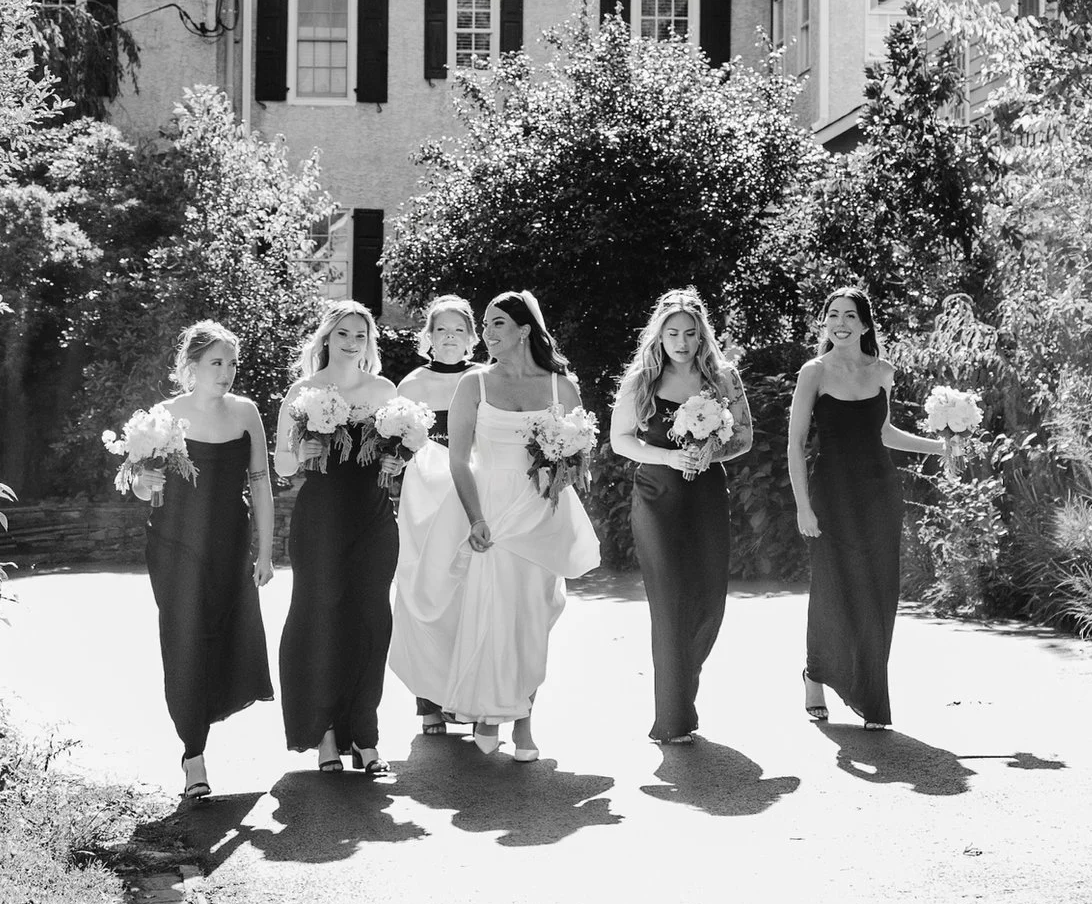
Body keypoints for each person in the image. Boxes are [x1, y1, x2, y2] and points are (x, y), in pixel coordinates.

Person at [390, 290, 600, 760]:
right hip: (488, 509)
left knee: (533, 617)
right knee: (493, 609)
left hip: (541, 511)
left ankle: (519, 716)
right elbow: (461, 461)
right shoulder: (475, 385)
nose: (485, 332)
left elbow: (578, 454)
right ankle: (496, 714)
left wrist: (561, 468)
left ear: (524, 330)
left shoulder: (561, 388)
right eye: (483, 324)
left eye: (496, 323)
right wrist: (476, 517)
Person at [787, 285, 957, 730]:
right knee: (831, 587)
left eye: (849, 315)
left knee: (879, 590)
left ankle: (873, 695)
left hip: (879, 493)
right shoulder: (814, 372)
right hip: (831, 494)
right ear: (825, 323)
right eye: (832, 315)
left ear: (865, 324)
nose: (840, 323)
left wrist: (939, 447)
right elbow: (795, 442)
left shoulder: (883, 371)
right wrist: (803, 505)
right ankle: (815, 674)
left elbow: (883, 433)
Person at [609, 287, 753, 744]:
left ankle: (681, 686)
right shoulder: (642, 380)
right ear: (659, 335)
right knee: (670, 607)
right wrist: (669, 458)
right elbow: (620, 440)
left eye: (691, 333)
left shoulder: (723, 378)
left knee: (709, 603)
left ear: (702, 335)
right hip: (658, 498)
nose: (682, 341)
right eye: (672, 332)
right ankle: (672, 717)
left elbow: (745, 435)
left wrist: (712, 449)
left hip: (707, 494)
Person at [146, 321, 275, 802]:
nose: (227, 372)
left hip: (229, 543)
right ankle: (193, 754)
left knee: (224, 637)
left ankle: (200, 731)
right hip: (174, 546)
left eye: (232, 363)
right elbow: (144, 482)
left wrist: (264, 551)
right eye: (216, 363)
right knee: (183, 641)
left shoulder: (246, 413)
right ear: (192, 366)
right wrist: (142, 484)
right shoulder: (164, 415)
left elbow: (260, 482)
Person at [274, 300, 400, 775]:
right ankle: (326, 732)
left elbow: (397, 450)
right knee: (321, 619)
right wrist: (300, 450)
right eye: (344, 333)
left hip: (372, 518)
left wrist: (396, 461)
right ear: (327, 336)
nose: (352, 343)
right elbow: (282, 465)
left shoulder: (384, 390)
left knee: (372, 622)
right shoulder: (303, 390)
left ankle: (365, 737)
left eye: (361, 335)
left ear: (369, 342)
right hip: (320, 520)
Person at [390, 295, 481, 736]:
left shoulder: (485, 380)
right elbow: (395, 447)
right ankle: (428, 700)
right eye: (441, 330)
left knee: (470, 591)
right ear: (427, 337)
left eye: (458, 330)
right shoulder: (410, 385)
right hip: (425, 497)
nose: (450, 337)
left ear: (471, 337)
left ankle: (467, 696)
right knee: (424, 584)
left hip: (473, 495)